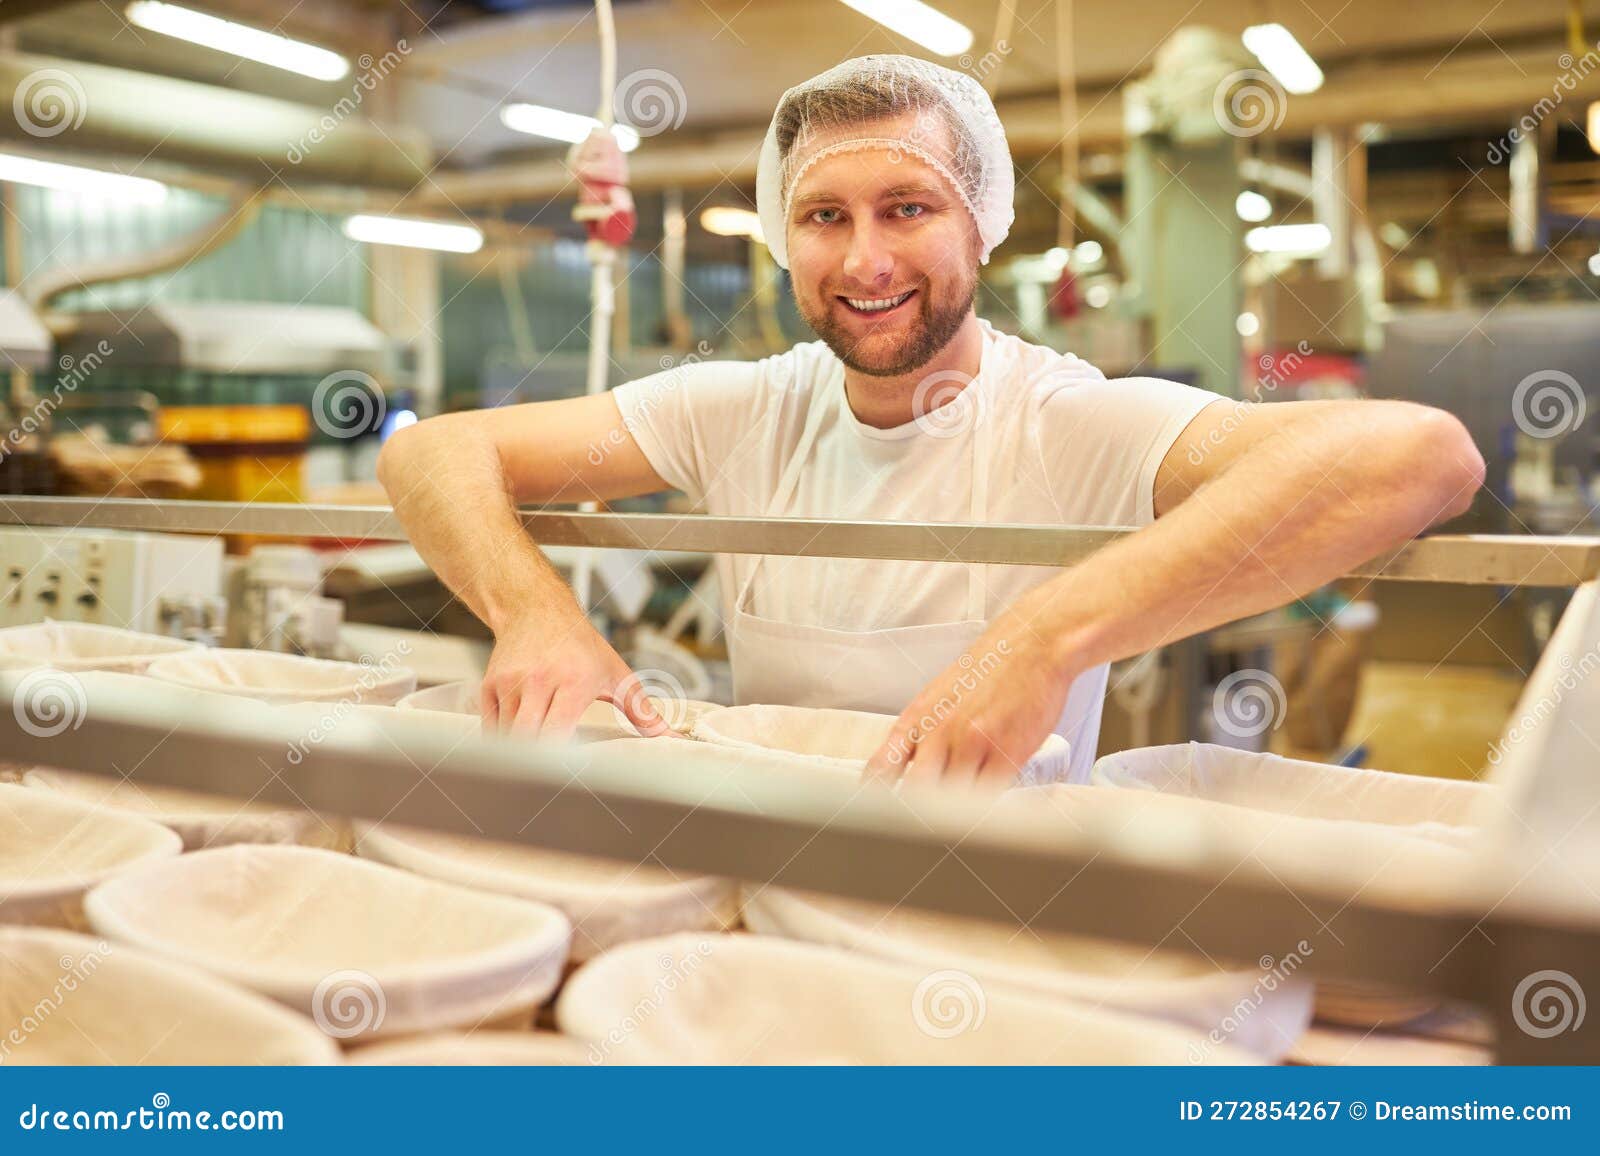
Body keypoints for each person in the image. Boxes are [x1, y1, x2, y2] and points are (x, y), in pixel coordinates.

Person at [378, 55, 1483, 788]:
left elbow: (1419, 456)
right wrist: (532, 613)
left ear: (982, 225)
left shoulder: (1062, 422)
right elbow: (435, 451)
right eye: (824, 216)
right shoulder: (743, 409)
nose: (863, 260)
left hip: (1001, 924)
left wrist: (1043, 637)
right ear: (785, 236)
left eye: (906, 209)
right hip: (786, 898)